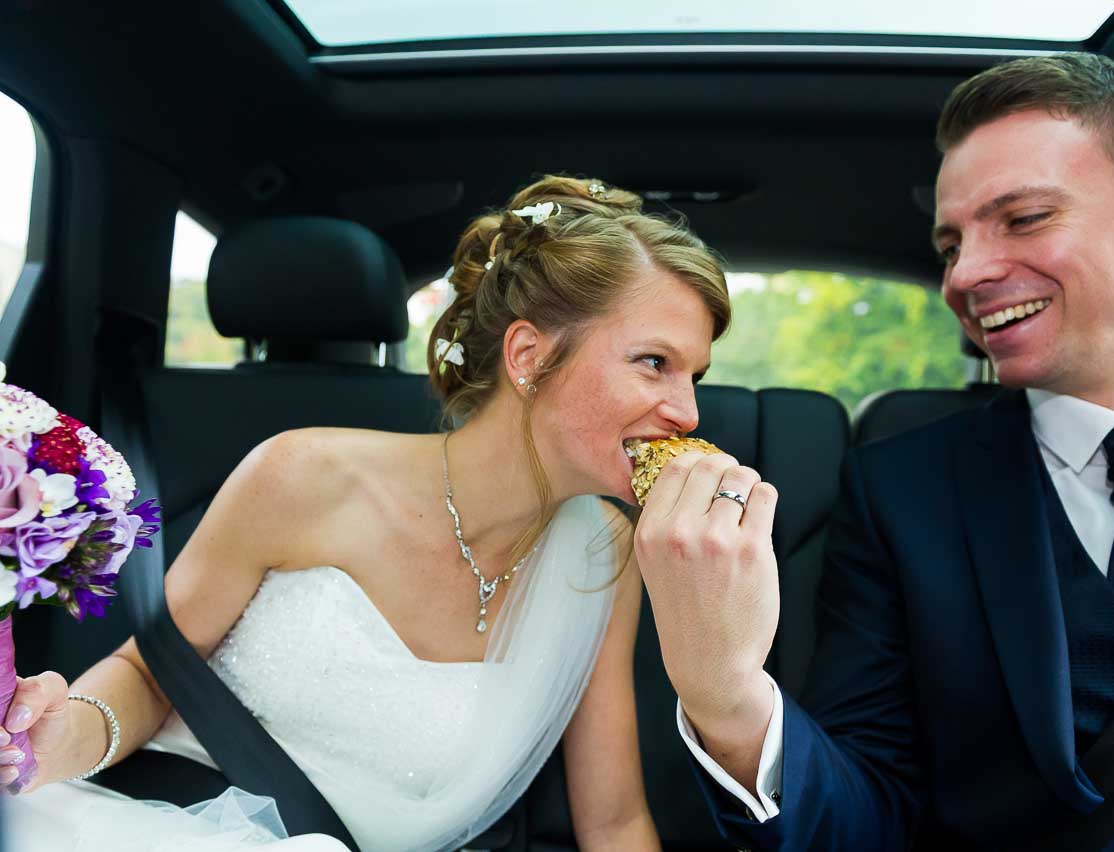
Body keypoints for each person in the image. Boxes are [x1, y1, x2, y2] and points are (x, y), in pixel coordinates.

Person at [638, 53, 1114, 849]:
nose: (966, 275)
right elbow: (866, 812)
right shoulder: (902, 495)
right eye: (950, 245)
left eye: (1023, 218)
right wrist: (728, 695)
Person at [2, 175, 732, 851]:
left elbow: (612, 819)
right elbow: (151, 672)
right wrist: (55, 739)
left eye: (694, 375)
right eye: (653, 363)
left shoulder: (605, 555)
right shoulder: (302, 474)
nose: (688, 411)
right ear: (528, 354)